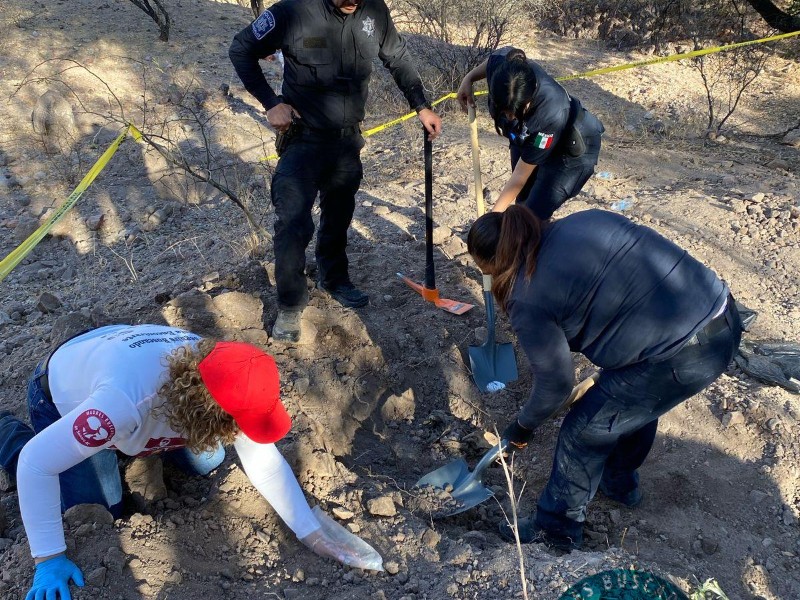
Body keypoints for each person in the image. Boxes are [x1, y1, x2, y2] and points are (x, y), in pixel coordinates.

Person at [0, 325, 372, 600]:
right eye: (235, 422)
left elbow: (265, 460)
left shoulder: (224, 374)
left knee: (208, 461)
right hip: (65, 389)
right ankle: (7, 431)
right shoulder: (120, 406)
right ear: (208, 413)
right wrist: (48, 556)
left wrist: (310, 531)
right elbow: (36, 465)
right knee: (95, 509)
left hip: (126, 374)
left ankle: (132, 450)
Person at [466, 206, 742, 551]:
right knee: (628, 398)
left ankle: (555, 529)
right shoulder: (586, 219)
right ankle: (618, 482)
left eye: (484, 272)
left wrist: (522, 426)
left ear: (496, 262)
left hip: (682, 355)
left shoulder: (528, 297)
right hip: (723, 315)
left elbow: (555, 385)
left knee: (583, 429)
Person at [229, 0, 443, 342]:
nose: (352, 2)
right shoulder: (292, 12)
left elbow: (398, 57)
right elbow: (242, 48)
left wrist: (421, 106)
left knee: (339, 214)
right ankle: (290, 304)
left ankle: (334, 277)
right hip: (303, 139)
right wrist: (271, 103)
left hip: (347, 141)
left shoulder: (374, 11)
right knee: (293, 223)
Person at [457, 47, 604, 220]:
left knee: (531, 215)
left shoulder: (550, 112)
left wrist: (491, 219)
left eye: (516, 111)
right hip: (527, 138)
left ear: (530, 97)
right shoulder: (507, 67)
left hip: (572, 151)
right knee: (522, 203)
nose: (510, 117)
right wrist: (469, 79)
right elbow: (492, 61)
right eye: (504, 112)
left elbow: (520, 176)